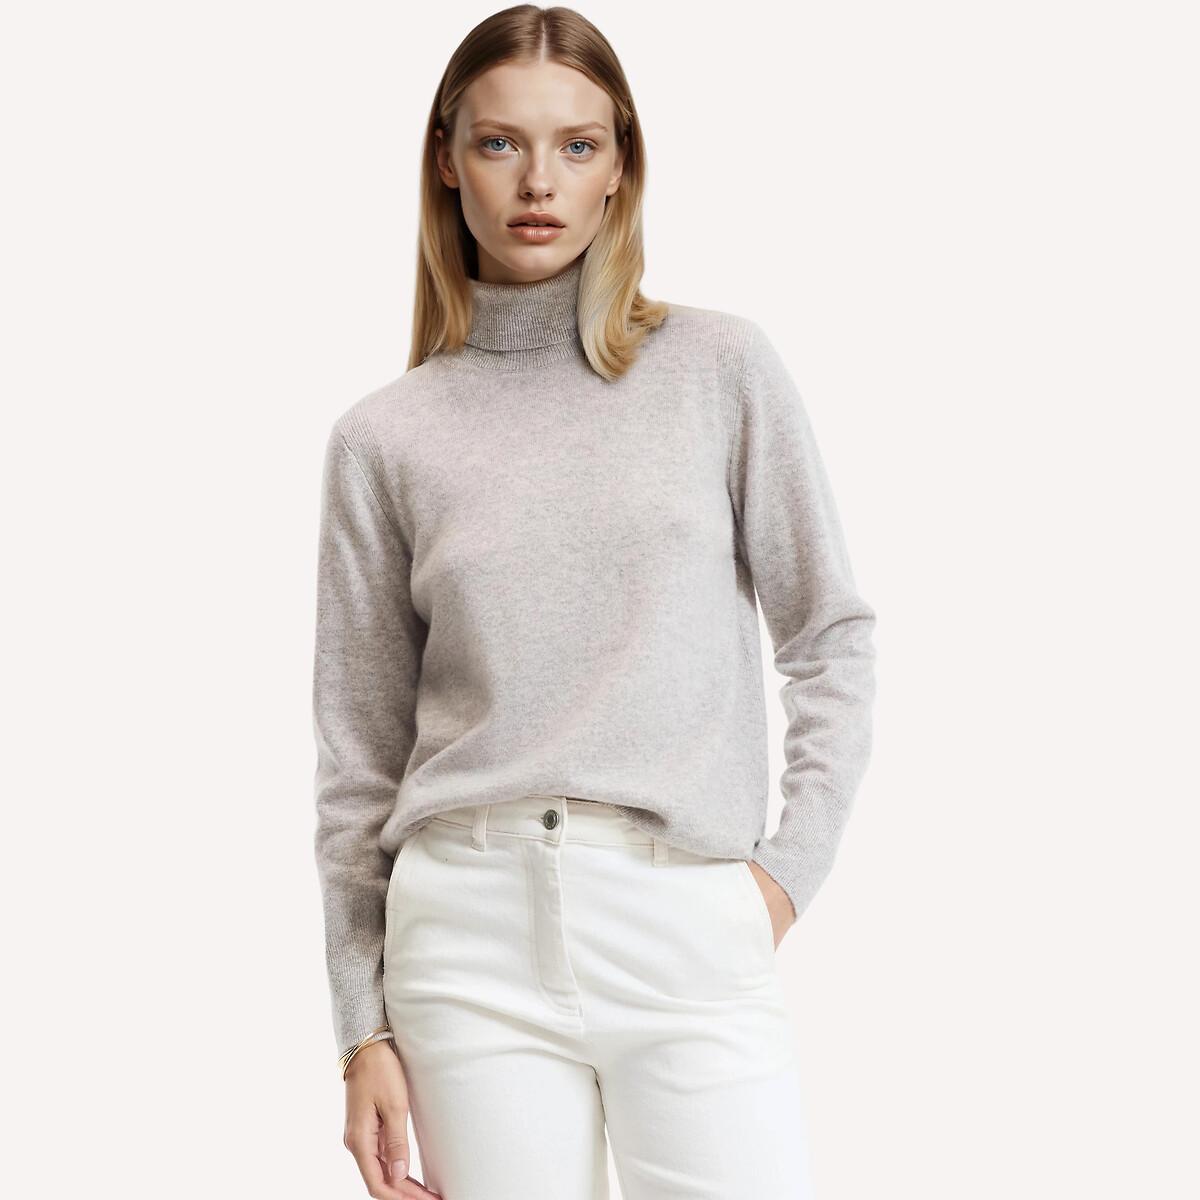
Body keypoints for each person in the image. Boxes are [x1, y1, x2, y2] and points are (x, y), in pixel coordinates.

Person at [311, 6, 877, 1198]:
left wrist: (781, 878)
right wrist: (362, 1026)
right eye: (500, 143)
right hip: (463, 936)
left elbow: (829, 634)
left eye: (578, 145)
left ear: (621, 166)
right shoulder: (384, 438)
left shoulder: (719, 368)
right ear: (446, 158)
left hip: (684, 916)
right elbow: (359, 758)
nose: (539, 182)